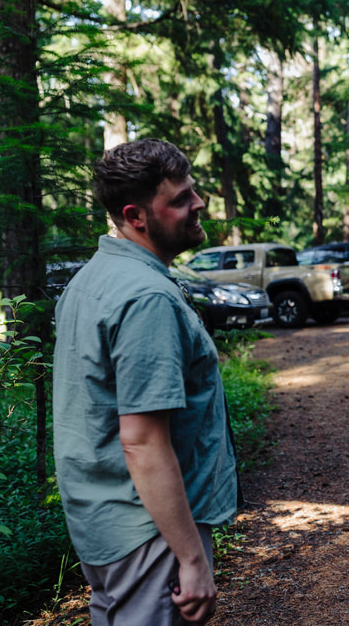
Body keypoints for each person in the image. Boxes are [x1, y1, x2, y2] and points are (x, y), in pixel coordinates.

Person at [53, 139, 238, 625]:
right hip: (149, 533)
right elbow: (142, 441)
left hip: (103, 523)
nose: (198, 204)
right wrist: (192, 557)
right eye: (180, 199)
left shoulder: (91, 279)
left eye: (192, 190)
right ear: (136, 216)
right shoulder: (146, 297)